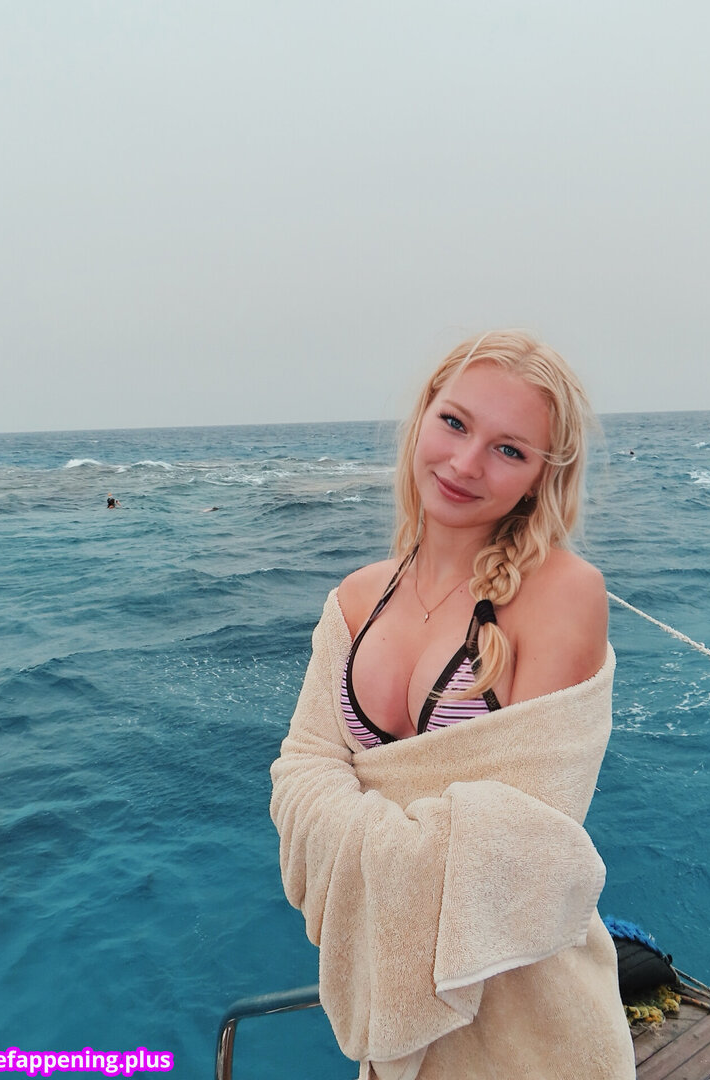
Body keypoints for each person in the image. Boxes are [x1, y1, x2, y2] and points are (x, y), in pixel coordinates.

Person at [270, 331, 636, 1080]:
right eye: (454, 423)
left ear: (538, 479)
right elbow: (300, 767)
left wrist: (357, 823)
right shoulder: (354, 600)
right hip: (396, 1035)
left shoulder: (565, 594)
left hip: (535, 1028)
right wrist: (405, 834)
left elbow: (526, 837)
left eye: (509, 449)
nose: (466, 463)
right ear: (423, 417)